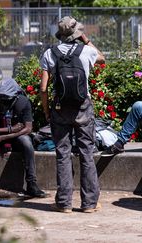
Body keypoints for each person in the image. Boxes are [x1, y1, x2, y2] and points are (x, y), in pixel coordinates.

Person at [40, 16, 105, 213]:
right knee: (86, 153)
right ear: (77, 33)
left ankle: (64, 203)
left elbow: (43, 87)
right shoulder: (86, 51)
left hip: (60, 109)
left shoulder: (49, 54)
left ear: (60, 34)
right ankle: (89, 203)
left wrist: (46, 111)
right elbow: (102, 58)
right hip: (83, 107)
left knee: (63, 154)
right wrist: (85, 39)